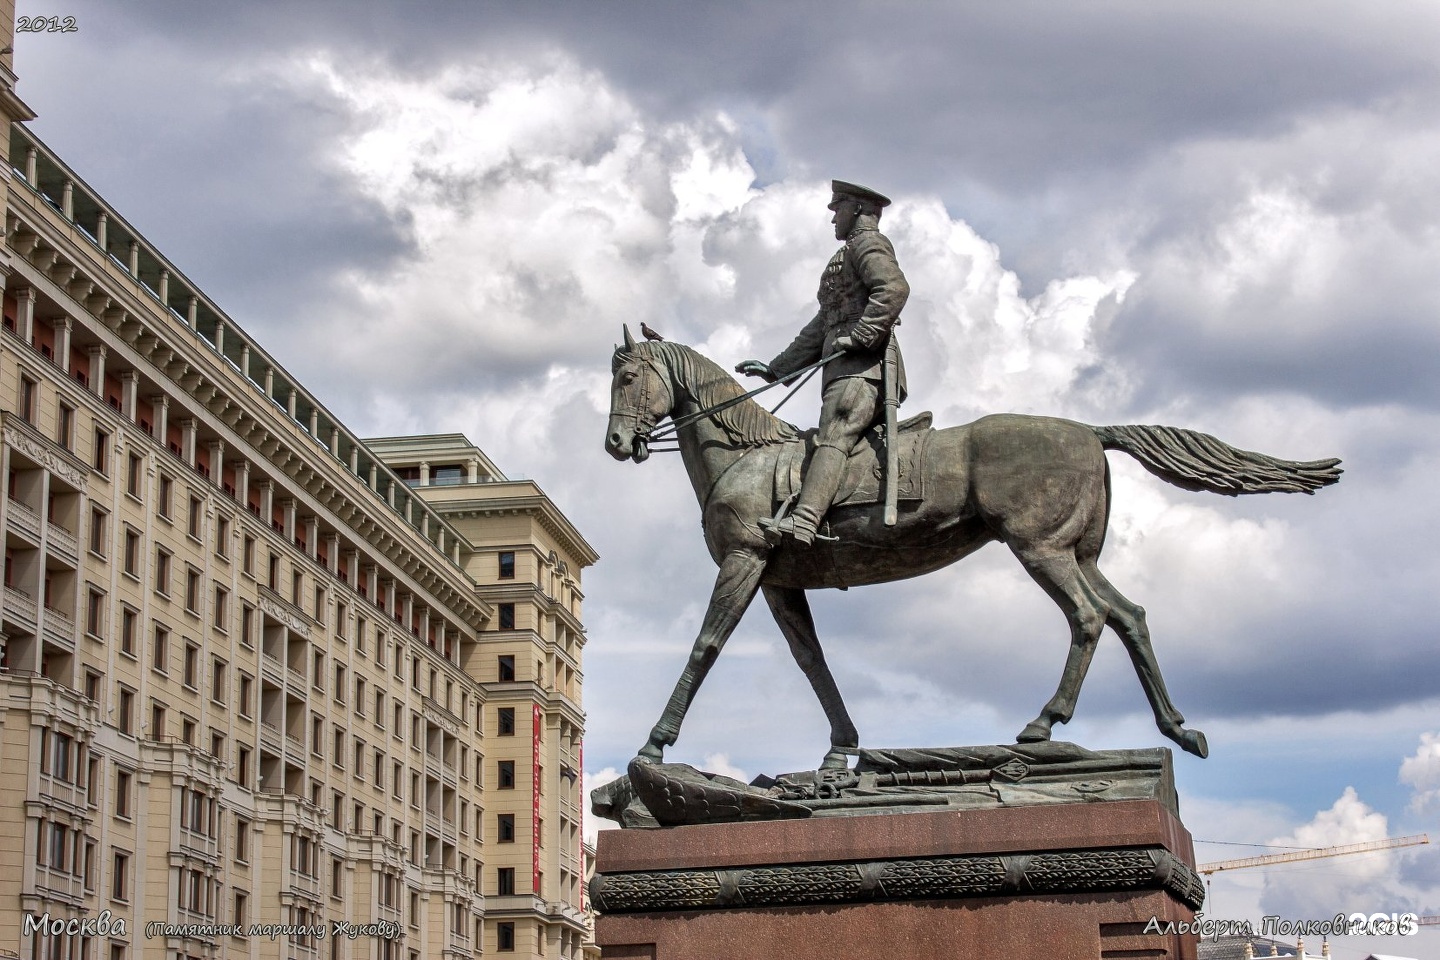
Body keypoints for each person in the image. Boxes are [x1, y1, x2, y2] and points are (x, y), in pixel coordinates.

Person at [736, 180, 909, 545]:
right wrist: (778, 367)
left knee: (835, 434)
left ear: (858, 210)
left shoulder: (867, 244)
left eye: (838, 209)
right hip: (843, 368)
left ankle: (805, 521)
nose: (833, 219)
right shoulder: (848, 251)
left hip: (864, 368)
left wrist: (862, 335)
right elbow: (824, 322)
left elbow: (893, 288)